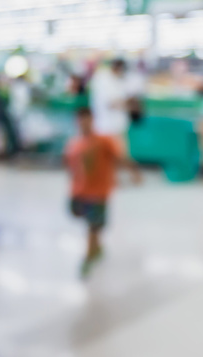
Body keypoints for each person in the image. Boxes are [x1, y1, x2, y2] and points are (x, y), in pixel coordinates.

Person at [65, 107, 141, 277]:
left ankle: (88, 257)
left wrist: (134, 173)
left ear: (92, 120)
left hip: (99, 193)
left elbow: (120, 158)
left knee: (92, 227)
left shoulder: (104, 141)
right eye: (81, 120)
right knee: (89, 223)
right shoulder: (73, 145)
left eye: (87, 119)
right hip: (79, 192)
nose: (84, 123)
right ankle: (97, 248)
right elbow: (72, 169)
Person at [90, 59, 130, 138]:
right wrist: (126, 103)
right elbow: (110, 103)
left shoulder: (117, 80)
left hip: (118, 127)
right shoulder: (102, 79)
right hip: (106, 128)